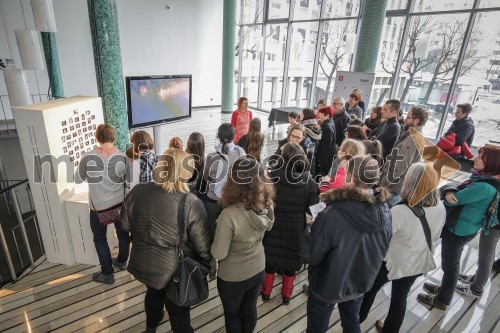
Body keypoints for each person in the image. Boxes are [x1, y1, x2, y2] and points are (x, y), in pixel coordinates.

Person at [121, 148, 212, 333]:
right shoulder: (191, 202)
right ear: (186, 171)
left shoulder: (138, 190)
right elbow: (203, 249)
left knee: (153, 294)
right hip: (175, 270)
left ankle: (150, 327)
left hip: (144, 261)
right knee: (178, 309)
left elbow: (124, 224)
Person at [300, 155, 392, 333]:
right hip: (359, 282)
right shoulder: (385, 211)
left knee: (316, 328)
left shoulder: (333, 213)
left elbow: (311, 254)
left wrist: (310, 229)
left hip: (327, 285)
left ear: (350, 177)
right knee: (351, 323)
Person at [359, 163, 446, 333]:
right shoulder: (440, 206)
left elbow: (381, 238)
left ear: (411, 182)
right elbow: (436, 235)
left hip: (392, 262)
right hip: (417, 261)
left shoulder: (400, 211)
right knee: (400, 297)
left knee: (370, 290)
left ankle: (355, 322)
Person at [417, 146, 500, 310]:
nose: (474, 159)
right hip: (465, 227)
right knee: (451, 264)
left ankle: (443, 299)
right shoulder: (487, 181)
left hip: (458, 229)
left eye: (480, 158)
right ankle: (444, 290)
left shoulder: (483, 186)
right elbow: (453, 190)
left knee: (450, 266)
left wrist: (447, 191)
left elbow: (451, 199)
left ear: (491, 163)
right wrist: (449, 190)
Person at [212, 157, 275, 333]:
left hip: (232, 277)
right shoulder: (268, 202)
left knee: (232, 314)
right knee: (249, 309)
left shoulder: (228, 215)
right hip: (258, 267)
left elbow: (219, 253)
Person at [261, 143, 319, 304]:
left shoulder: (272, 176)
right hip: (295, 227)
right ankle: (286, 295)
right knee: (290, 264)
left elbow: (264, 201)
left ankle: (266, 292)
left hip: (273, 224)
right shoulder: (309, 181)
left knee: (270, 260)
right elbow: (313, 210)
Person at [77, 124, 130, 284]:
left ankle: (107, 274)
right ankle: (122, 261)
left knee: (100, 239)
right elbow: (126, 180)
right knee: (123, 234)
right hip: (120, 204)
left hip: (98, 207)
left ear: (98, 138)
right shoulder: (122, 157)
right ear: (112, 137)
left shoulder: (87, 157)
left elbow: (78, 179)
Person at [199, 123, 246, 278]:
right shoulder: (240, 153)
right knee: (231, 235)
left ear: (218, 136)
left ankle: (212, 268)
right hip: (232, 201)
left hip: (212, 202)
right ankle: (227, 266)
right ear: (234, 136)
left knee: (212, 234)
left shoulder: (212, 156)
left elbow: (205, 178)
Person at [454, 147, 500, 299]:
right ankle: (477, 279)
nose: (474, 159)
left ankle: (477, 288)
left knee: (486, 254)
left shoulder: (492, 183)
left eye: (480, 157)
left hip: (495, 224)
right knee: (487, 253)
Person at [379, 106, 428, 208]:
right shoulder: (411, 135)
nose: (405, 119)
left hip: (394, 187)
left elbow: (400, 165)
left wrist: (383, 183)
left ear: (417, 121)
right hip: (394, 185)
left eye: (409, 117)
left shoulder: (413, 138)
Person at [316, 106, 336, 177]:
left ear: (327, 115)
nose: (319, 116)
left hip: (326, 156)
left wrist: (318, 159)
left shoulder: (327, 127)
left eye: (321, 114)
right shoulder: (330, 122)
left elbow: (325, 146)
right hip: (329, 154)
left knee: (323, 174)